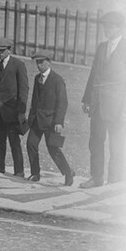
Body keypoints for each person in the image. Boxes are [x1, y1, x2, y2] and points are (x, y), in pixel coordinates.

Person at [79, 11, 126, 187]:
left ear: (119, 27)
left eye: (110, 26)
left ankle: (114, 180)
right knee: (95, 142)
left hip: (118, 108)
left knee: (116, 146)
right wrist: (86, 99)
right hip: (98, 105)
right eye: (105, 26)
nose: (106, 29)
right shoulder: (101, 47)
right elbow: (94, 75)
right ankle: (96, 178)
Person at [25, 52, 74, 185]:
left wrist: (59, 122)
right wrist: (30, 119)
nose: (39, 65)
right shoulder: (37, 78)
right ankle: (35, 173)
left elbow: (63, 102)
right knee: (31, 144)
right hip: (37, 120)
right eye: (37, 62)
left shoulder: (57, 80)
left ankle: (68, 172)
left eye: (41, 62)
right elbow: (35, 100)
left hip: (51, 121)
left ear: (49, 63)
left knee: (53, 148)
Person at [0, 37, 29, 177]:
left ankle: (19, 171)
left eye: (2, 51)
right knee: (0, 142)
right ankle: (0, 166)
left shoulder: (18, 65)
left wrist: (21, 110)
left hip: (12, 112)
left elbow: (24, 89)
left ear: (9, 50)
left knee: (14, 142)